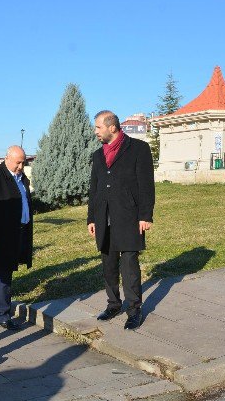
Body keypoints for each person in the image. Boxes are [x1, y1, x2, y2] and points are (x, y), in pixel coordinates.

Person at [87, 110, 155, 330]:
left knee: (129, 266)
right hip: (103, 218)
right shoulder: (98, 155)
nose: (95, 131)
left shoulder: (138, 149)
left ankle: (134, 309)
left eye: (98, 127)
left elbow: (146, 185)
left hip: (129, 217)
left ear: (112, 127)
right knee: (108, 266)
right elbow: (94, 189)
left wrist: (146, 215)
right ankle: (113, 304)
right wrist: (91, 218)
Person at [0, 145, 32, 331]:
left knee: (1, 273)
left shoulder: (21, 178)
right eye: (18, 162)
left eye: (23, 162)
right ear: (7, 158)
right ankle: (2, 315)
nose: (21, 166)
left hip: (17, 232)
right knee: (3, 274)